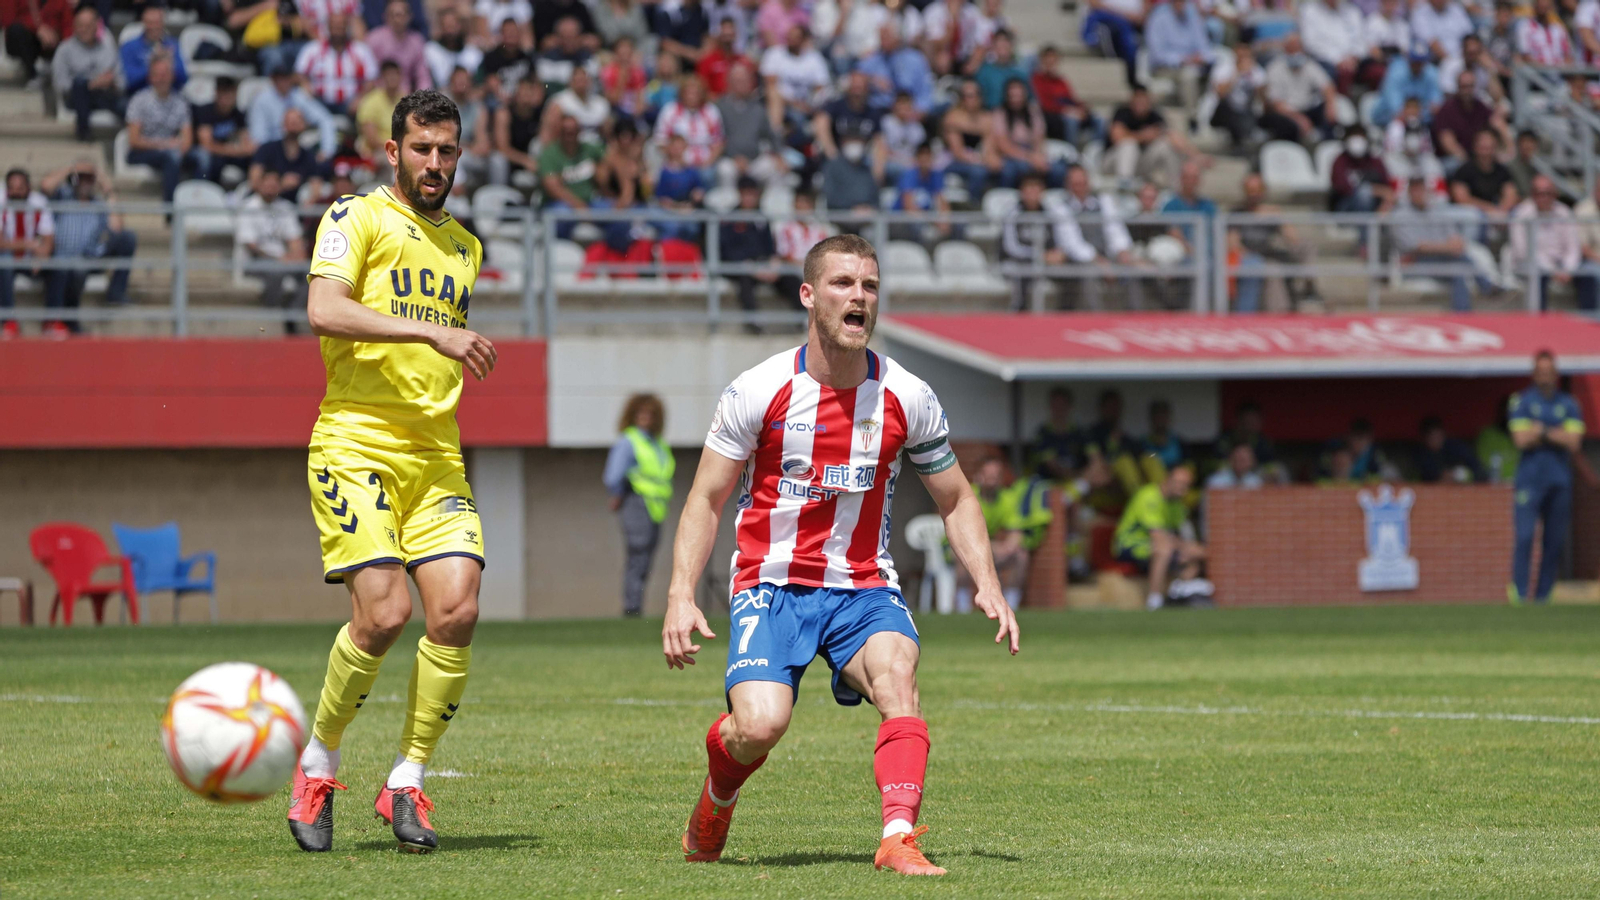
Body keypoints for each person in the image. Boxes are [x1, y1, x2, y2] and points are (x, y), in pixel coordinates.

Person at [661, 233, 1019, 875]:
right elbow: (705, 498)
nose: (859, 297)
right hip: (770, 586)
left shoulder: (907, 396)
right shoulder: (759, 389)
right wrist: (680, 595)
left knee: (899, 679)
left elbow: (957, 497)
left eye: (870, 286)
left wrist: (986, 583)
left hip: (861, 588)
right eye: (843, 283)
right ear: (808, 295)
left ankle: (898, 839)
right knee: (760, 726)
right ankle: (716, 799)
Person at [288, 89, 494, 855]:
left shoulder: (466, 248)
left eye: (447, 151)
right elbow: (324, 309)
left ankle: (405, 781)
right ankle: (318, 764)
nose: (434, 163)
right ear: (393, 152)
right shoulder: (355, 217)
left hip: (435, 453)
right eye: (422, 149)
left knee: (457, 611)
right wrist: (432, 335)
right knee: (382, 615)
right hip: (355, 442)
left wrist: (444, 347)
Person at [1508, 351, 1585, 604]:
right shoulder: (1521, 401)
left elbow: (1573, 442)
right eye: (1540, 371)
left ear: (1555, 373)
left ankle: (1543, 596)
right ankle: (1519, 594)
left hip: (1560, 481)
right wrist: (1556, 433)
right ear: (1534, 373)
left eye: (1548, 371)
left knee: (1554, 541)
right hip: (1530, 480)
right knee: (1525, 536)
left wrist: (1540, 431)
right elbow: (1520, 439)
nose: (1545, 376)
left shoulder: (1570, 403)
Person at [41, 160, 136, 334]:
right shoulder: (63, 195)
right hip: (61, 256)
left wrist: (107, 188)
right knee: (69, 268)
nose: (85, 182)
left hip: (89, 256)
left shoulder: (99, 203)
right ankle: (66, 321)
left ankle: (115, 292)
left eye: (89, 179)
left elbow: (116, 228)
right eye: (82, 178)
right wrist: (73, 168)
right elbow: (46, 185)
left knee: (127, 238)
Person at [603, 393, 675, 618]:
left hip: (656, 507)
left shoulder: (658, 444)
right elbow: (613, 475)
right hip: (636, 502)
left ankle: (636, 605)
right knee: (637, 557)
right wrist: (618, 494)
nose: (645, 418)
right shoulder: (629, 441)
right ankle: (632, 608)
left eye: (650, 414)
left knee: (646, 560)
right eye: (641, 413)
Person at [1113, 465, 1206, 610]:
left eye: (1187, 485)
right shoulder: (1148, 496)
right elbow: (1158, 535)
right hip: (1129, 545)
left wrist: (1190, 549)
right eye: (1180, 483)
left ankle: (1179, 594)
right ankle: (1154, 600)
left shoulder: (1176, 504)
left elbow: (1185, 534)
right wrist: (1184, 547)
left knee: (1195, 552)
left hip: (1156, 545)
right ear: (1168, 480)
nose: (1183, 489)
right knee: (1164, 548)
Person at [1230, 171, 1318, 312]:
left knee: (1307, 246)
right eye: (1250, 190)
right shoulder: (1237, 213)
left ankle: (1309, 287)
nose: (1254, 194)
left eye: (1257, 190)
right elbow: (1233, 243)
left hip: (1272, 253)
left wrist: (1278, 217)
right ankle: (1279, 313)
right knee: (1273, 270)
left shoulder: (1271, 212)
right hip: (1253, 257)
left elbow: (1293, 238)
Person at [237, 168, 309, 333]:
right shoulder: (248, 207)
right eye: (266, 184)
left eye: (274, 184)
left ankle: (292, 314)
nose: (270, 188)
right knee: (276, 272)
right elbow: (251, 245)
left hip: (283, 260)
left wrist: (296, 255)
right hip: (256, 261)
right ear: (259, 185)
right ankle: (271, 313)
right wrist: (280, 259)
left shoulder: (285, 207)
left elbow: (295, 239)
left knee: (312, 272)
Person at [1511, 174, 1596, 311]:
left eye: (1548, 193)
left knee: (1588, 274)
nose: (1544, 197)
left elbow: (1573, 246)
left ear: (1555, 194)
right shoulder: (1521, 215)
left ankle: (1588, 320)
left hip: (1562, 264)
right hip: (1532, 264)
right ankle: (1539, 322)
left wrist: (1567, 269)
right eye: (1540, 193)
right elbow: (1524, 251)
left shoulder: (1564, 213)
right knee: (1538, 275)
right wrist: (1553, 270)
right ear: (1532, 195)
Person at [1391, 177, 1475, 310]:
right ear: (1408, 193)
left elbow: (1456, 238)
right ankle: (1486, 287)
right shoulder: (1399, 215)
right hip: (1414, 263)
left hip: (1444, 259)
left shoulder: (1437, 211)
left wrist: (1451, 246)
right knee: (1457, 266)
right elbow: (1418, 247)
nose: (1418, 194)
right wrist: (1447, 247)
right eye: (1415, 191)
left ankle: (1464, 315)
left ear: (1427, 191)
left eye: (1421, 190)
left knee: (1457, 268)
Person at [964, 457, 1031, 611]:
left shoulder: (1007, 498)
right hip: (961, 546)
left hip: (989, 548)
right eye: (988, 475)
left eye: (996, 475)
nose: (992, 479)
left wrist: (1008, 547)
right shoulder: (968, 495)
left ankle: (1011, 606)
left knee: (1021, 555)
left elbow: (1016, 532)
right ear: (978, 476)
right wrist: (992, 547)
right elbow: (967, 536)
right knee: (962, 558)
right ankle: (962, 610)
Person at [124, 54, 191, 204]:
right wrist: (165, 144)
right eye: (158, 75)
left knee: (202, 158)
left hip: (172, 151)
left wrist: (178, 149)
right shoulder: (139, 100)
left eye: (165, 74)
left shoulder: (181, 102)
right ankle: (170, 210)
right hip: (141, 152)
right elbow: (134, 140)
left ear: (172, 76)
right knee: (171, 157)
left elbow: (187, 140)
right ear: (150, 77)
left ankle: (197, 205)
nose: (162, 78)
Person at [1106, 84, 1198, 191]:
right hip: (1114, 162)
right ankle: (1125, 189)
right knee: (1129, 145)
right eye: (1138, 99)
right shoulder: (1122, 112)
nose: (1141, 103)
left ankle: (1176, 189)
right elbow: (1117, 137)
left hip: (1140, 164)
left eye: (1144, 99)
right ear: (1132, 100)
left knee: (1166, 146)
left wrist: (1195, 155)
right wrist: (1143, 135)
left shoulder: (1154, 116)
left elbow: (1172, 136)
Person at [53, 5, 124, 142]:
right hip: (76, 97)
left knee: (126, 104)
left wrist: (112, 81)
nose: (84, 29)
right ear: (74, 26)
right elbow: (60, 85)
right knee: (80, 83)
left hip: (103, 95)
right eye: (80, 25)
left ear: (97, 26)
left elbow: (122, 81)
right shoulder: (64, 50)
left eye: (88, 25)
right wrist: (90, 84)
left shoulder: (107, 48)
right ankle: (84, 134)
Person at [0, 169, 54, 339]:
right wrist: (29, 244)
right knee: (4, 261)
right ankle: (9, 320)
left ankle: (52, 321)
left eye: (20, 188)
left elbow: (47, 244)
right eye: (12, 188)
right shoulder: (1, 202)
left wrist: (41, 257)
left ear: (29, 188)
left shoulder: (39, 203)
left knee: (59, 264)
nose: (16, 192)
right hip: (9, 260)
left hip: (31, 261)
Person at [716, 64, 787, 188]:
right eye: (738, 81)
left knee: (775, 168)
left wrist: (779, 155)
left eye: (745, 81)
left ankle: (771, 206)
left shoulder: (758, 108)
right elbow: (717, 138)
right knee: (725, 170)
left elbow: (771, 134)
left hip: (755, 160)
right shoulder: (720, 107)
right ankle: (728, 206)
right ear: (730, 83)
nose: (742, 85)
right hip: (730, 160)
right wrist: (734, 156)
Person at [249, 64, 338, 161]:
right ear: (273, 79)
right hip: (272, 151)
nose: (284, 82)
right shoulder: (262, 100)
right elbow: (259, 136)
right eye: (280, 78)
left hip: (297, 151)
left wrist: (326, 151)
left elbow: (325, 118)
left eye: (286, 78)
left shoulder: (298, 96)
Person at [296, 12, 379, 114]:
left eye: (341, 26)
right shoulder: (313, 49)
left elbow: (371, 79)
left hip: (350, 104)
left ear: (347, 27)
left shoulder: (361, 50)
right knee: (299, 96)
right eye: (334, 26)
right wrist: (305, 85)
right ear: (328, 27)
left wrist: (360, 98)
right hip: (319, 102)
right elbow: (299, 73)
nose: (337, 30)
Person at [1263, 33, 1337, 144]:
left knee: (1328, 115)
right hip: (1285, 113)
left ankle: (1328, 146)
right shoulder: (1275, 68)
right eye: (1292, 49)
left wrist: (1330, 105)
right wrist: (1298, 118)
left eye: (1298, 48)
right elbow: (1276, 104)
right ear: (1285, 49)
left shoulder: (1309, 65)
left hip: (1306, 109)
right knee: (1286, 125)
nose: (1295, 52)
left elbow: (1327, 86)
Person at [991, 77, 1062, 188]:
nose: (1016, 99)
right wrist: (1030, 158)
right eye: (1012, 96)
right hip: (1011, 154)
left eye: (1019, 95)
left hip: (1032, 151)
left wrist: (1038, 155)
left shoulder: (1033, 110)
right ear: (1007, 96)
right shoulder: (1000, 113)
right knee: (1020, 168)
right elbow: (1003, 145)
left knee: (1057, 170)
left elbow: (1039, 137)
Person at [1145, 0, 1214, 111]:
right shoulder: (1158, 17)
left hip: (1195, 65)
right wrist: (1183, 59)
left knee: (1220, 68)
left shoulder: (1192, 15)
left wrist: (1202, 57)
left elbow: (1205, 47)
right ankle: (1192, 117)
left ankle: (1210, 116)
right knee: (1189, 74)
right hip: (1164, 68)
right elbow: (1157, 55)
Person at [251, 107, 329, 203]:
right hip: (265, 204)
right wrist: (280, 186)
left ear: (304, 125)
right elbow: (254, 182)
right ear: (283, 124)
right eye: (290, 121)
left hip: (295, 209)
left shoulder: (309, 156)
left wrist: (308, 204)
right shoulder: (266, 149)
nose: (293, 124)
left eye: (297, 121)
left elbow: (316, 188)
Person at [772, 187, 832, 308]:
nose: (802, 208)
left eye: (806, 204)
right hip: (792, 270)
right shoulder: (785, 228)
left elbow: (824, 255)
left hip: (813, 270)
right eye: (799, 204)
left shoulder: (820, 230)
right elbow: (784, 254)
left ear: (812, 207)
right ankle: (804, 320)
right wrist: (802, 266)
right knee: (796, 283)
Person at [191, 76, 258, 184]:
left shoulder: (238, 114)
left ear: (235, 94)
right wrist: (233, 150)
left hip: (227, 153)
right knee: (210, 161)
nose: (226, 98)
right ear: (216, 93)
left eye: (229, 93)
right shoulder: (205, 111)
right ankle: (208, 193)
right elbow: (206, 145)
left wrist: (239, 149)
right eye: (223, 93)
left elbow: (247, 144)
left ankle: (248, 192)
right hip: (213, 155)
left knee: (254, 159)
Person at [1030, 44, 1100, 146]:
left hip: (1068, 111)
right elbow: (1045, 104)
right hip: (1052, 116)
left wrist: (1082, 108)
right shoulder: (1037, 79)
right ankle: (1072, 154)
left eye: (1054, 61)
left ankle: (1094, 151)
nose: (1051, 64)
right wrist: (1066, 110)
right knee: (1071, 121)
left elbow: (1070, 99)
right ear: (1042, 61)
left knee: (1099, 120)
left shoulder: (1061, 81)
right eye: (1048, 61)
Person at [654, 74, 724, 170]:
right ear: (682, 93)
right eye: (688, 93)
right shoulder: (670, 111)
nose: (692, 97)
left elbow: (718, 142)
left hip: (706, 163)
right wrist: (676, 159)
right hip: (676, 162)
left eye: (696, 93)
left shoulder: (711, 111)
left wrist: (708, 162)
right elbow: (660, 141)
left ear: (702, 94)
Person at [1207, 41, 1267, 150]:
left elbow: (1263, 99)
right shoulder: (1223, 68)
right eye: (1240, 56)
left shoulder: (1257, 71)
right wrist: (1237, 72)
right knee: (1227, 108)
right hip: (1222, 111)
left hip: (1244, 111)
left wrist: (1254, 81)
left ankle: (1242, 140)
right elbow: (1221, 94)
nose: (1243, 59)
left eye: (1245, 56)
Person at [119, 3, 187, 95]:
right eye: (150, 23)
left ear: (163, 23)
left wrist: (169, 63)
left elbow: (183, 77)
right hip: (139, 95)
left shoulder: (172, 45)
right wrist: (154, 65)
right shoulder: (129, 46)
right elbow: (130, 80)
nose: (154, 27)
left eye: (157, 22)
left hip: (168, 96)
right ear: (143, 23)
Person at [493, 75, 547, 186]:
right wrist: (525, 161)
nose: (526, 97)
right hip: (510, 161)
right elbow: (502, 148)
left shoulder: (540, 113)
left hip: (531, 162)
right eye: (523, 92)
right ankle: (498, 191)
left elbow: (546, 141)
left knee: (538, 144)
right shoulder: (504, 113)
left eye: (529, 92)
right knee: (497, 159)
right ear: (516, 95)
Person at [1, 0, 71, 86]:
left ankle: (56, 68)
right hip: (27, 39)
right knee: (16, 30)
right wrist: (38, 28)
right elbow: (8, 19)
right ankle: (33, 73)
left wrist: (55, 36)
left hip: (54, 41)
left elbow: (67, 23)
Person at [1449, 130, 1517, 217]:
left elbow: (1511, 194)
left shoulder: (1502, 170)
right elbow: (1461, 198)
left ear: (1495, 148)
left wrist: (1501, 211)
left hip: (1498, 212)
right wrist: (1489, 209)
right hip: (1475, 213)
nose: (1486, 153)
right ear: (1475, 148)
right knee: (1473, 215)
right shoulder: (1464, 170)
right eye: (1483, 148)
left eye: (1489, 148)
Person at [1373, 41, 1441, 129]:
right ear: (1408, 59)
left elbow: (1436, 104)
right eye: (1415, 61)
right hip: (1387, 119)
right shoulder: (1396, 71)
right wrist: (1417, 113)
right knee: (1397, 125)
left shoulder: (1431, 72)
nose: (1418, 65)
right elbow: (1395, 107)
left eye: (1421, 61)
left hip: (1419, 120)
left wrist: (1422, 112)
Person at [366, 0, 431, 91]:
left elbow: (423, 77)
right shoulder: (374, 39)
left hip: (407, 96)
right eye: (393, 15)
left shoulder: (417, 41)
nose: (397, 20)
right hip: (380, 94)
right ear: (385, 16)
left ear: (409, 16)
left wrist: (421, 97)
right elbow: (369, 75)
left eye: (401, 15)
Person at [942, 79, 993, 194]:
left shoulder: (987, 118)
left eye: (973, 96)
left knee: (1003, 168)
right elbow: (957, 152)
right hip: (953, 161)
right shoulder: (952, 117)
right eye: (965, 96)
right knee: (978, 172)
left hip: (979, 159)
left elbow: (988, 146)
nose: (969, 100)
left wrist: (985, 159)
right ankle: (972, 204)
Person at [1329, 125, 1394, 214]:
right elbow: (1343, 188)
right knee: (1364, 195)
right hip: (1345, 207)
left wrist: (1385, 203)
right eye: (1353, 137)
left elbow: (1386, 186)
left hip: (1376, 207)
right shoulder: (1340, 161)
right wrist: (1375, 190)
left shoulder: (1375, 161)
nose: (1357, 142)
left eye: (1361, 137)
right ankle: (1364, 227)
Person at [356, 61, 407, 162]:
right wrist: (397, 148)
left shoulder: (406, 101)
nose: (392, 78)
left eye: (395, 74)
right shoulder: (370, 101)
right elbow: (372, 140)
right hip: (378, 152)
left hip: (402, 149)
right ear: (382, 78)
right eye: (389, 75)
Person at [1415, 416, 1487, 483]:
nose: (1436, 440)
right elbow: (1425, 481)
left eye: (1438, 436)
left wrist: (1460, 473)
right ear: (1424, 439)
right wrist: (1442, 478)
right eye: (1432, 437)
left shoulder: (1456, 447)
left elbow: (1478, 470)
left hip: (1464, 490)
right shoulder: (1421, 455)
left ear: (1443, 434)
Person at [423, 9, 483, 89]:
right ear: (440, 28)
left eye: (453, 26)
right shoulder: (430, 51)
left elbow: (480, 85)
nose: (450, 31)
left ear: (460, 26)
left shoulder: (473, 53)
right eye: (446, 27)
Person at [697, 16, 751, 96]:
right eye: (724, 30)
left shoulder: (743, 61)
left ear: (735, 34)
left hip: (740, 104)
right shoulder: (707, 61)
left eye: (730, 29)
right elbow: (702, 89)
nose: (727, 33)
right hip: (716, 103)